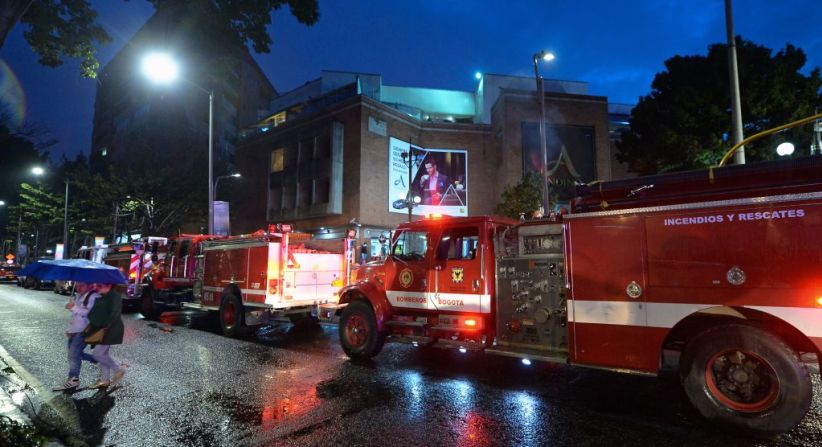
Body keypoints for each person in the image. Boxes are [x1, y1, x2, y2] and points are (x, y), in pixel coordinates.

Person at [52, 282, 100, 391]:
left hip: (84, 330)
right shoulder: (79, 295)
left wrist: (73, 307)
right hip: (75, 330)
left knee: (73, 355)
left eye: (82, 284)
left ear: (90, 285)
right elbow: (76, 316)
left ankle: (73, 379)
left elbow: (89, 313)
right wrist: (70, 329)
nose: (78, 287)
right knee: (75, 354)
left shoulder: (94, 296)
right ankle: (98, 359)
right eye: (77, 284)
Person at [86, 282, 126, 389]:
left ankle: (118, 370)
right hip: (104, 329)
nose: (97, 287)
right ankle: (105, 380)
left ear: (108, 285)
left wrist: (103, 325)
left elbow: (114, 314)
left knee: (97, 354)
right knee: (103, 354)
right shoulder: (103, 296)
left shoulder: (115, 296)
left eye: (100, 285)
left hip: (110, 330)